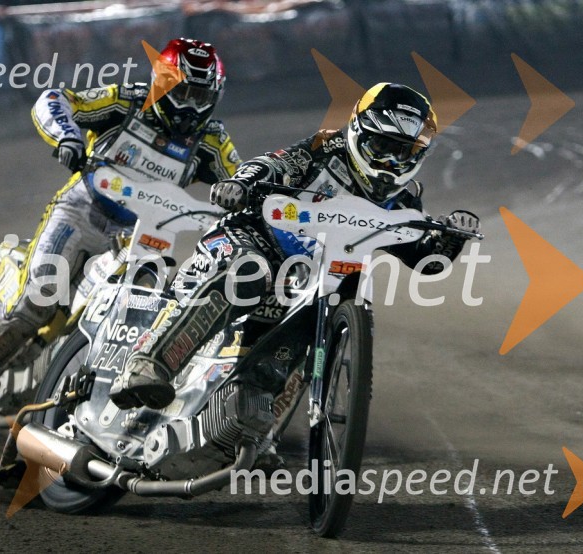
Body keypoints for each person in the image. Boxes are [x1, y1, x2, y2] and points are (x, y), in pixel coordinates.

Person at [109, 82, 481, 410]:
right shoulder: (326, 147)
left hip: (308, 280)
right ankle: (149, 364)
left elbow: (425, 259)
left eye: (402, 152)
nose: (389, 161)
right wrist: (241, 183)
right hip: (255, 238)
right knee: (248, 271)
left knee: (336, 301)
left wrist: (451, 237)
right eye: (381, 146)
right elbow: (272, 163)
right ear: (358, 131)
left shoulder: (405, 197)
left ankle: (257, 418)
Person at [0, 38, 241, 422]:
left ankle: (72, 394)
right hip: (81, 210)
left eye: (200, 94)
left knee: (130, 307)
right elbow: (55, 99)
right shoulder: (125, 101)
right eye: (182, 91)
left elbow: (240, 178)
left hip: (139, 235)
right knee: (36, 298)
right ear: (162, 83)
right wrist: (66, 135)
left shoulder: (211, 139)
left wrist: (239, 194)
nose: (190, 104)